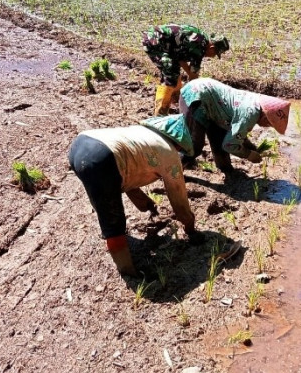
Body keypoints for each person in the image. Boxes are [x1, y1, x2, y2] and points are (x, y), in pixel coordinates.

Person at [68, 114, 202, 276]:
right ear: (179, 144)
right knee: (113, 220)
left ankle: (111, 233)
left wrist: (145, 204)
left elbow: (127, 171)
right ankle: (127, 269)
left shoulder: (141, 134)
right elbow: (178, 193)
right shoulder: (169, 152)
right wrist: (189, 225)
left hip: (80, 144)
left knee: (102, 194)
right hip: (101, 159)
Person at [179, 78, 291, 172]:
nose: (267, 126)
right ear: (266, 116)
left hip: (213, 105)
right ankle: (172, 171)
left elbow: (237, 133)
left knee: (219, 137)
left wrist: (251, 147)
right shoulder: (249, 113)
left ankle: (225, 169)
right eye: (269, 124)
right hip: (195, 97)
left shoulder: (256, 103)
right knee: (194, 146)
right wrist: (248, 154)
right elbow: (229, 145)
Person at [142, 24, 230, 116]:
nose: (213, 56)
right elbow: (193, 78)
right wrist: (196, 99)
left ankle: (175, 98)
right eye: (215, 54)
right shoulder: (199, 47)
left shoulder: (201, 40)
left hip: (161, 43)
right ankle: (160, 113)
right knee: (171, 73)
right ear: (212, 48)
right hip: (155, 42)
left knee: (174, 70)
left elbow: (180, 58)